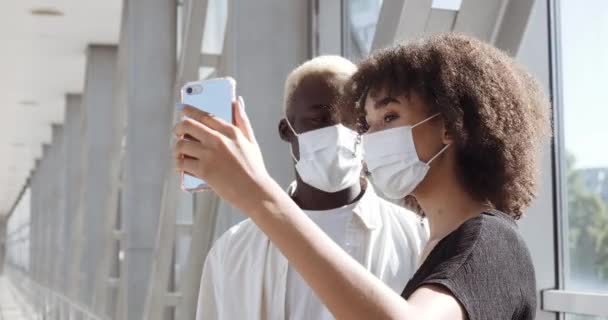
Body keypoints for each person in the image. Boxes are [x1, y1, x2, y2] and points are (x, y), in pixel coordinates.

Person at [174, 33, 550, 319]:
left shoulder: (490, 241)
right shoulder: (439, 246)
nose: (367, 140)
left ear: (450, 125)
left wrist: (258, 194)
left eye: (389, 118)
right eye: (367, 125)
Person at [195, 56, 427, 320]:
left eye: (353, 121)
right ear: (286, 130)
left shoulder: (417, 239)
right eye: (320, 119)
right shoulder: (233, 251)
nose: (339, 132)